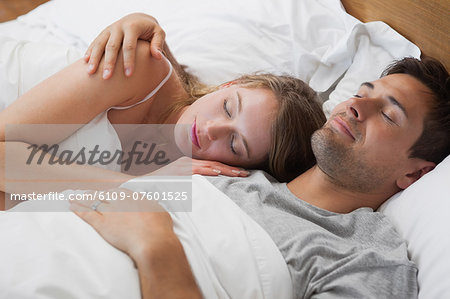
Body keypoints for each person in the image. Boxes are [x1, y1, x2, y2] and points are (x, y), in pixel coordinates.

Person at [73, 14, 449, 299]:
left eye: (388, 114)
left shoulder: (365, 258)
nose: (355, 106)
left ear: (415, 176)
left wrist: (157, 248)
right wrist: (142, 26)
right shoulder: (230, 167)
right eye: (363, 92)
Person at [0, 18, 327, 208]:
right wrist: (131, 184)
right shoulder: (143, 70)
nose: (212, 128)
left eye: (235, 144)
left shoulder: (185, 178)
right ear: (230, 84)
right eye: (228, 107)